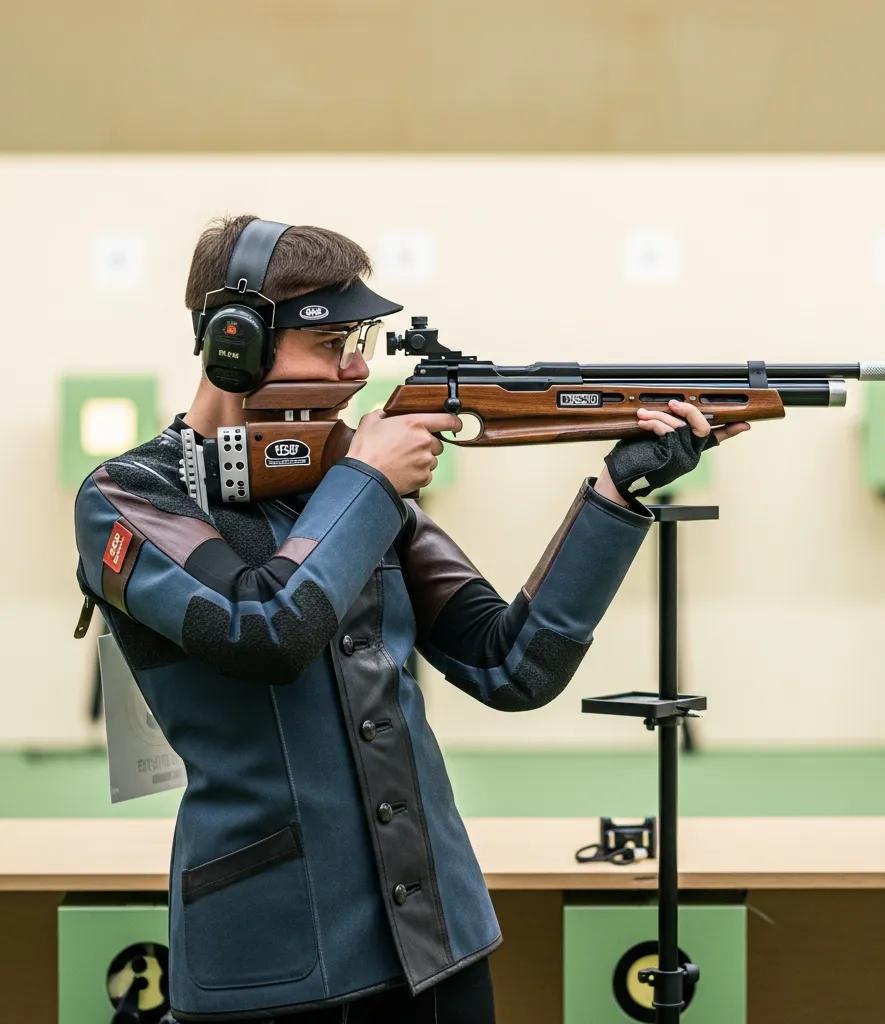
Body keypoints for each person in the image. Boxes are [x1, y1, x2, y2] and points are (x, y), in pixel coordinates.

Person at [72, 215, 750, 1023]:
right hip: (270, 961)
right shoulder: (134, 495)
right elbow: (262, 630)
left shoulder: (349, 486)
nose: (359, 368)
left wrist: (614, 492)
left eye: (362, 339)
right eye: (333, 344)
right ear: (234, 344)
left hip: (437, 946)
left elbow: (513, 666)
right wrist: (367, 481)